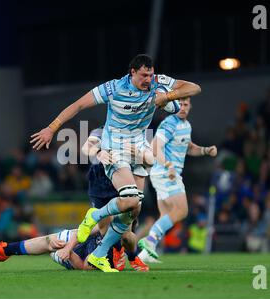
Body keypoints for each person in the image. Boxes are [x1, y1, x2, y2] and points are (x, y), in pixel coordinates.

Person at [30, 54, 201, 272]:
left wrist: (168, 96)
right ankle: (96, 220)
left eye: (150, 74)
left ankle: (102, 255)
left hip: (138, 150)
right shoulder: (113, 88)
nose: (148, 79)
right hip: (115, 148)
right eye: (143, 75)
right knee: (129, 199)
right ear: (132, 73)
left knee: (132, 212)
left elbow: (194, 88)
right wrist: (52, 128)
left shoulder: (158, 83)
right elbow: (79, 105)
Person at [138, 97, 217, 262]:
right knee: (181, 211)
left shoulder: (185, 126)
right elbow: (155, 147)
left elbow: (188, 147)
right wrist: (168, 165)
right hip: (166, 172)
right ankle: (149, 240)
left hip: (166, 173)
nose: (182, 107)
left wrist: (205, 150)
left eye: (185, 104)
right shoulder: (169, 123)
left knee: (166, 214)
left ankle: (145, 254)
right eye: (179, 104)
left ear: (190, 106)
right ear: (172, 106)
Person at [82, 126, 150, 271]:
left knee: (126, 235)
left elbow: (150, 161)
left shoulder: (136, 135)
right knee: (105, 231)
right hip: (99, 186)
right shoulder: (101, 131)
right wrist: (99, 152)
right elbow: (86, 147)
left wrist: (140, 155)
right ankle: (116, 249)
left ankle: (132, 256)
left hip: (121, 186)